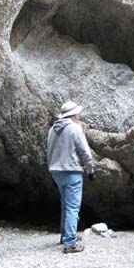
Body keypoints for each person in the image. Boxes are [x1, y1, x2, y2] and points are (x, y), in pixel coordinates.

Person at [47, 101, 95, 253]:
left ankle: (65, 236)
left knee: (65, 205)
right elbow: (84, 152)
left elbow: (49, 152)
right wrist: (90, 169)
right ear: (73, 114)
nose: (78, 115)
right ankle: (70, 244)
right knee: (73, 207)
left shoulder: (52, 130)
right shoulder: (75, 128)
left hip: (56, 172)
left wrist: (52, 170)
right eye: (77, 113)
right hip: (71, 172)